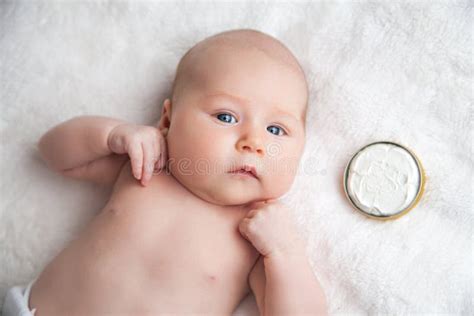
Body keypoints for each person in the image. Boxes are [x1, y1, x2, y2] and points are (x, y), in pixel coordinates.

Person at [2, 29, 328, 316]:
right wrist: (112, 135)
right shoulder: (149, 164)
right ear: (168, 121)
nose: (253, 142)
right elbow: (52, 152)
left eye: (276, 129)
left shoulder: (256, 235)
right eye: (227, 117)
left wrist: (286, 252)